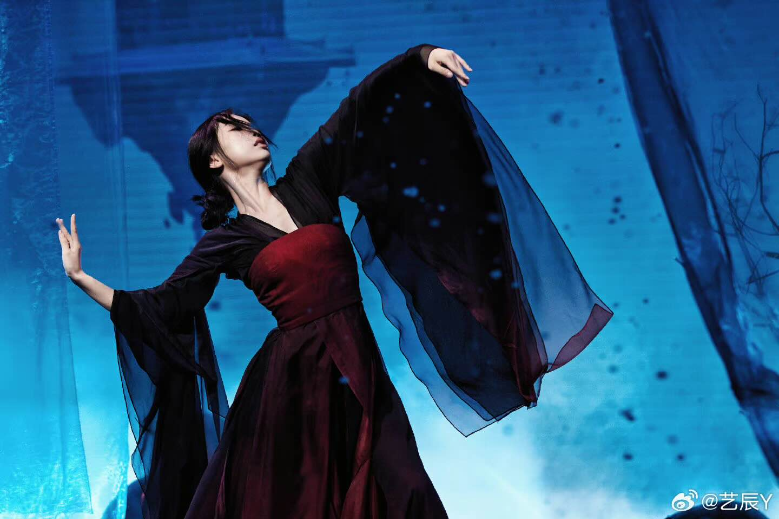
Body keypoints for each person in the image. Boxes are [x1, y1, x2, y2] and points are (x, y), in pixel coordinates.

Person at [58, 43, 614, 519]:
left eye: (251, 124)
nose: (253, 131)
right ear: (213, 162)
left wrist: (420, 60)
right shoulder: (227, 241)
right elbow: (161, 306)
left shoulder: (308, 183)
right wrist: (81, 277)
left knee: (401, 486)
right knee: (299, 501)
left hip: (359, 364)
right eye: (236, 129)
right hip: (292, 383)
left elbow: (358, 110)